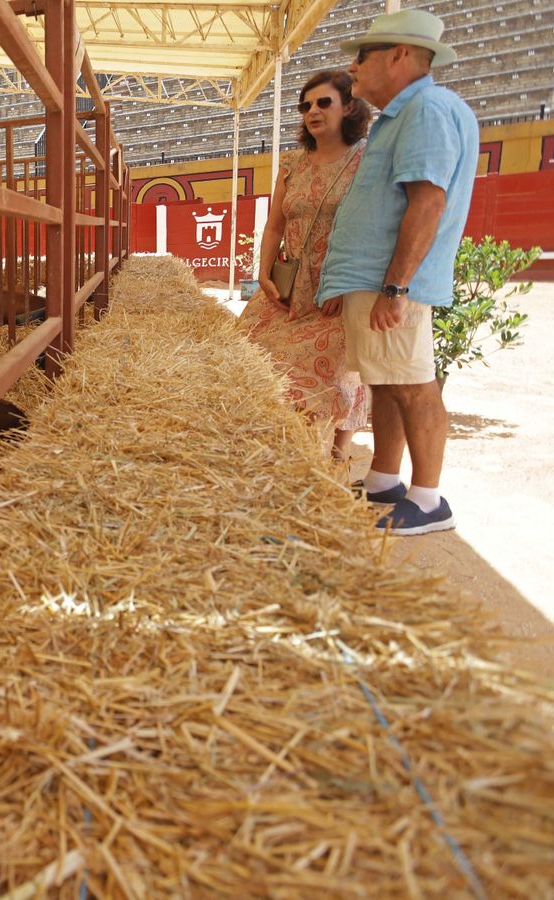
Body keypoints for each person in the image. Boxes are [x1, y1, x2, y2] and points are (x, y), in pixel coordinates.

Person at [316, 9, 477, 536]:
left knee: (412, 383)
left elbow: (427, 203)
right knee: (385, 380)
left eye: (363, 56)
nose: (353, 68)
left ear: (399, 56)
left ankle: (428, 500)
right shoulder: (403, 114)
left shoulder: (427, 109)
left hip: (391, 281)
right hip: (375, 279)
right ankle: (385, 480)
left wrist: (396, 286)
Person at [239, 71, 371, 460]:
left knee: (337, 373)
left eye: (323, 102)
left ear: (349, 107)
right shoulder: (291, 164)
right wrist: (263, 273)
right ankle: (290, 454)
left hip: (339, 290)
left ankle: (337, 458)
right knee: (250, 355)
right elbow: (274, 224)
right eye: (305, 105)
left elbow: (372, 227)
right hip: (288, 287)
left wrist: (347, 285)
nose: (312, 111)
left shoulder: (366, 159)